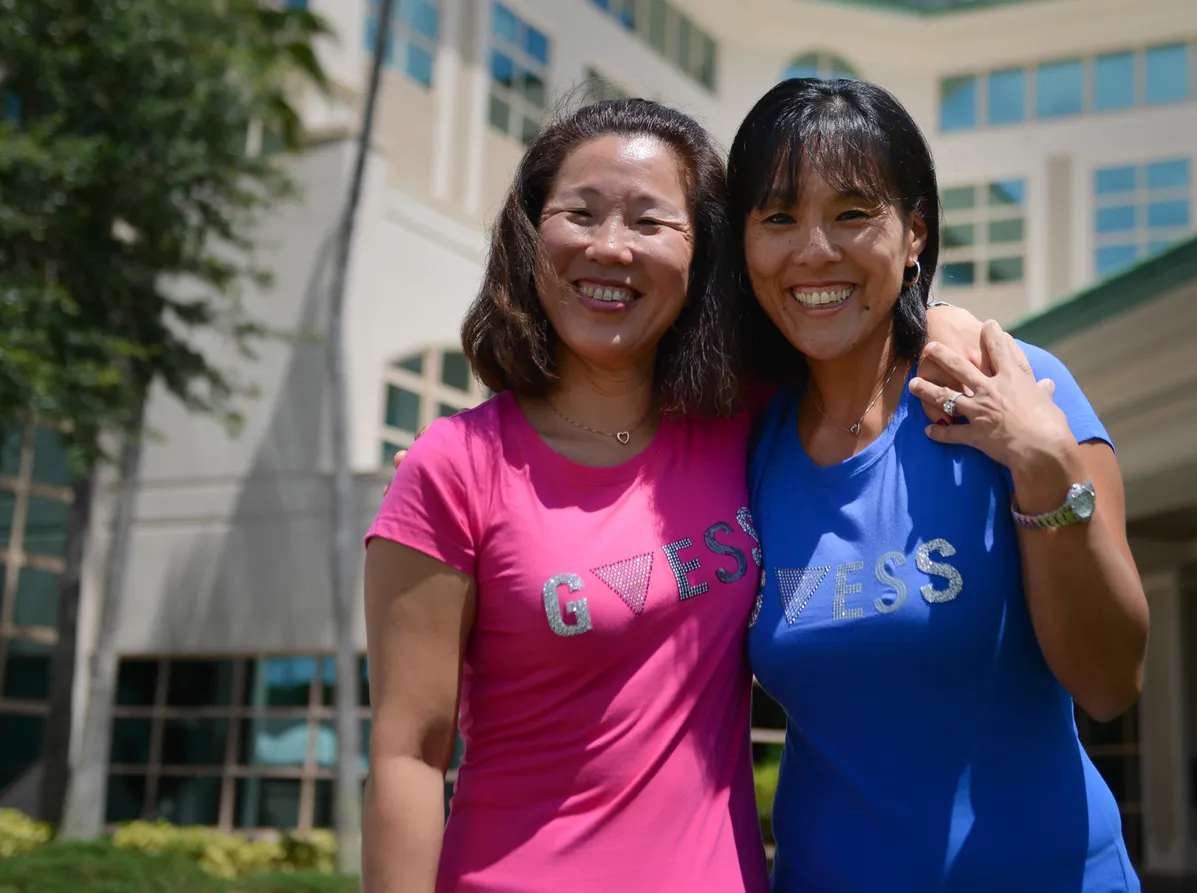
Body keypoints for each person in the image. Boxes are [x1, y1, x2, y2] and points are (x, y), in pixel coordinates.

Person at [362, 97, 985, 892]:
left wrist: (948, 325)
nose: (610, 246)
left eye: (650, 222)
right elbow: (408, 755)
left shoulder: (745, 423)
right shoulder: (455, 466)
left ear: (702, 254)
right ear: (531, 234)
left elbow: (865, 336)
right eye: (580, 213)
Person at [735, 79, 1149, 892]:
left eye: (853, 213)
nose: (813, 249)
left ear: (914, 231)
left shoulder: (1015, 385)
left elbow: (1110, 683)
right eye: (778, 217)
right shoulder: (744, 440)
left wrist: (1046, 468)